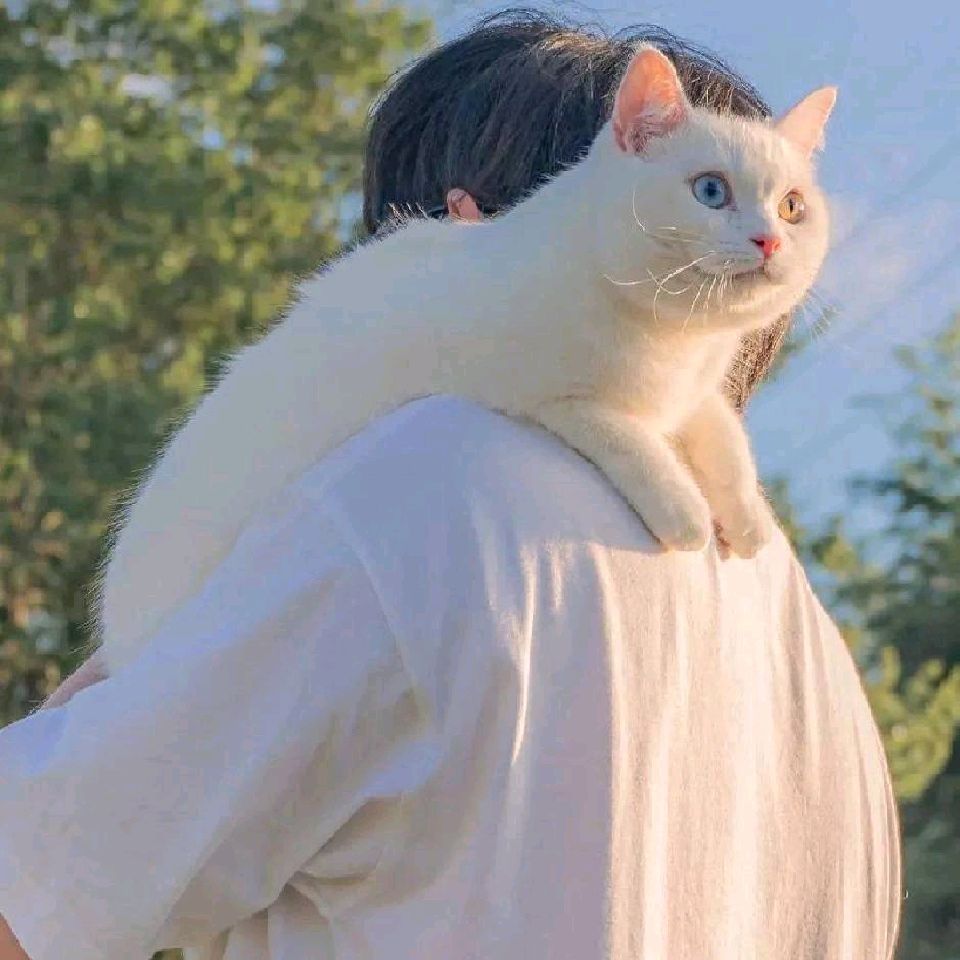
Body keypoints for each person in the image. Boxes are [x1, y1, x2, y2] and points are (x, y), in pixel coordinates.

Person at [0, 11, 901, 960]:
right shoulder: (821, 670)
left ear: (460, 226)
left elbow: (36, 897)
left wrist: (111, 709)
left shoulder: (419, 494)